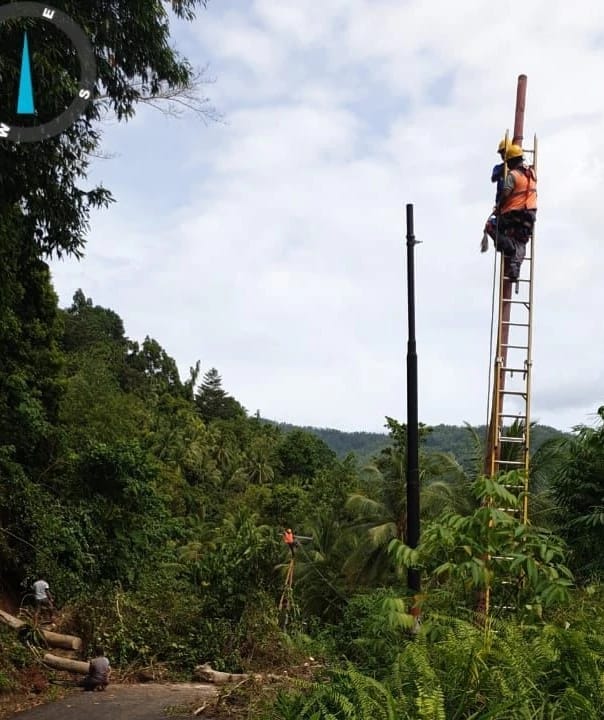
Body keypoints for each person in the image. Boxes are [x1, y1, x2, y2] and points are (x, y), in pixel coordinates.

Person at [494, 143, 537, 281]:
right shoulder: (532, 173)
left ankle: (510, 249)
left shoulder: (513, 175)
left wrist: (498, 207)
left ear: (511, 160)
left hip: (513, 215)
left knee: (492, 225)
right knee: (522, 240)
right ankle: (515, 265)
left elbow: (506, 193)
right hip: (529, 216)